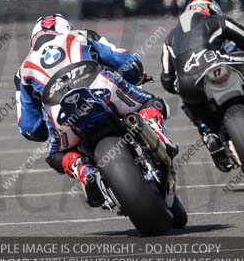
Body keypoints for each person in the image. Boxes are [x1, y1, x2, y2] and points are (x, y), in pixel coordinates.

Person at [15, 14, 177, 207]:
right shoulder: (81, 35)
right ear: (65, 28)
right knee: (151, 103)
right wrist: (135, 75)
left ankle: (83, 170)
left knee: (56, 155)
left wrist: (44, 131)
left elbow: (29, 127)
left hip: (60, 112)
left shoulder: (23, 69)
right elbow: (125, 60)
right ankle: (157, 133)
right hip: (101, 87)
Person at [160, 0, 244, 171]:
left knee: (186, 95)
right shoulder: (219, 21)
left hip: (189, 83)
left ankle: (208, 132)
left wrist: (180, 84)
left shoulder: (170, 38)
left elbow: (167, 80)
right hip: (218, 62)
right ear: (212, 10)